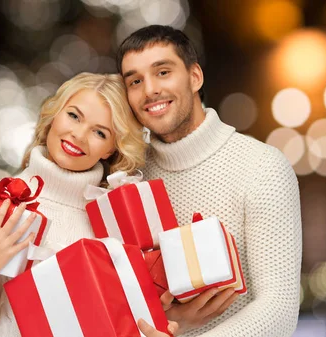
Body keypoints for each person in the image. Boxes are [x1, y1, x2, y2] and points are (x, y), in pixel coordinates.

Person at [0, 72, 172, 336]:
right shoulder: (0, 199)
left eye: (99, 132)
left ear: (111, 148)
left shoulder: (116, 219)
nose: (78, 135)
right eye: (74, 116)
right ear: (55, 115)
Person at [117, 25, 302, 336]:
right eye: (135, 81)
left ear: (195, 77)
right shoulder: (128, 177)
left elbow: (278, 309)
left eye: (163, 72)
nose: (149, 90)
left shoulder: (262, 167)